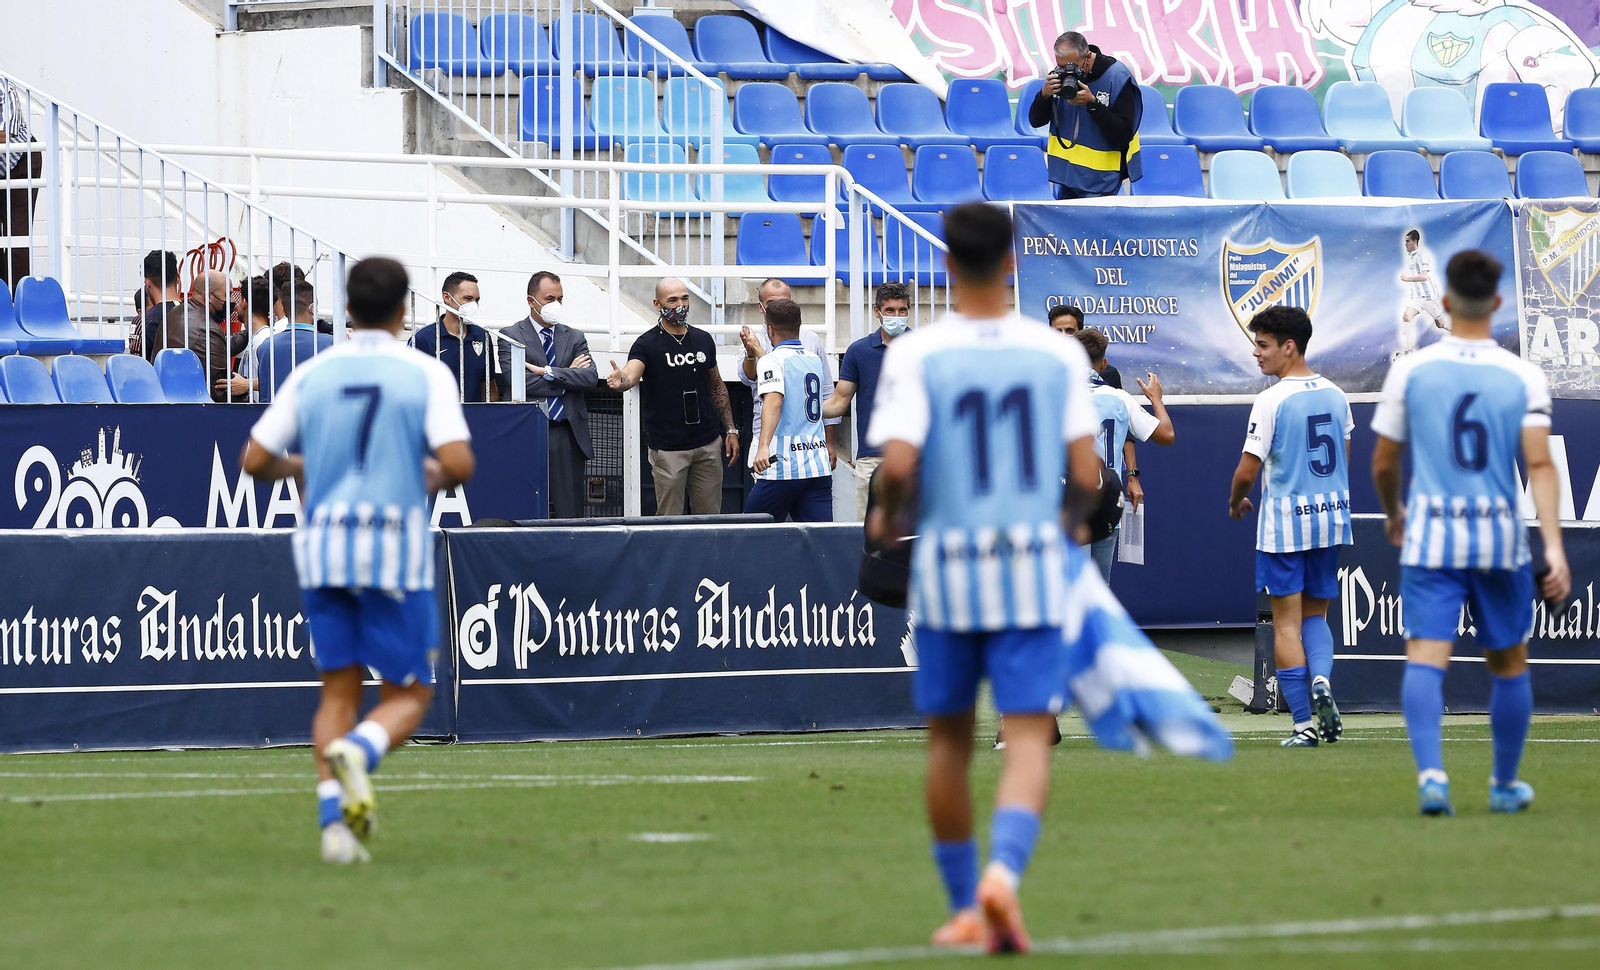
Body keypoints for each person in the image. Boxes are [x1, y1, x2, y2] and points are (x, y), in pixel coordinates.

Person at [868, 203, 1100, 953]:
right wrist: (1063, 527)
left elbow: (898, 467)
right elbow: (1087, 474)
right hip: (1027, 566)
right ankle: (1005, 875)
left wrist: (882, 521)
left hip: (948, 569)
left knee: (948, 743)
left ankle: (966, 902)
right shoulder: (1059, 355)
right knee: (1028, 733)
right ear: (1012, 263)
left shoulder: (917, 354)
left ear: (946, 266)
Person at [242, 257, 473, 864]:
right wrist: (416, 472)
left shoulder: (312, 373)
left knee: (337, 695)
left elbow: (255, 459)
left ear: (346, 309)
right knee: (409, 694)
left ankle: (336, 832)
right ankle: (363, 753)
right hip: (391, 548)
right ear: (405, 311)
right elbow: (458, 464)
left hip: (323, 547)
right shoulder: (425, 372)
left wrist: (305, 467)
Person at [1371, 249, 1569, 817]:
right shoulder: (1523, 374)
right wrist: (1552, 547)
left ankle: (1432, 776)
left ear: (1448, 302)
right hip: (1500, 539)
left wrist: (1393, 512)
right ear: (1498, 303)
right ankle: (1504, 785)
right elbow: (1539, 464)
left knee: (1426, 657)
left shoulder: (1411, 369)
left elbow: (1385, 464)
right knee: (1508, 662)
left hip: (1432, 535)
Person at [1228, 306, 1351, 748]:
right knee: (1317, 616)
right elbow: (1346, 458)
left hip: (1285, 526)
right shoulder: (1337, 395)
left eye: (1262, 345)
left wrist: (1235, 498)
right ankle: (1321, 679)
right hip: (1330, 520)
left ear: (1288, 346)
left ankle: (1303, 724)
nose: (1256, 353)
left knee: (1285, 625)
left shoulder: (1272, 399)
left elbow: (1247, 468)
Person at [607, 278, 739, 516]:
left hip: (707, 445)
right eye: (673, 300)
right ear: (658, 304)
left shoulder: (703, 339)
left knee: (710, 520)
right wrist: (621, 381)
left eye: (685, 298)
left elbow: (716, 385)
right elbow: (631, 374)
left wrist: (730, 428)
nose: (681, 305)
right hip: (668, 450)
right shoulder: (647, 344)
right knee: (669, 521)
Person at [1074, 328, 1174, 582]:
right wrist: (1156, 399)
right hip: (1106, 505)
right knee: (1099, 594)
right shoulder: (1120, 398)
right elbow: (1166, 435)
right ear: (1104, 363)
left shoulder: (1056, 395)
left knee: (1071, 596)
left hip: (1071, 506)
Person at [498, 271, 598, 520]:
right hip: (528, 429)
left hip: (567, 432)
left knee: (570, 512)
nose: (556, 305)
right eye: (550, 298)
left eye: (560, 299)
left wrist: (549, 372)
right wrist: (567, 378)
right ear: (532, 301)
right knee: (525, 508)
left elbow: (590, 378)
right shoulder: (511, 335)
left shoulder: (574, 336)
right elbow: (518, 380)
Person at [824, 281, 911, 518]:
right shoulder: (858, 351)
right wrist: (805, 410)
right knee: (867, 533)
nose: (897, 316)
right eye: (890, 310)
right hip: (871, 458)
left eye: (902, 310)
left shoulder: (924, 349)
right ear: (877, 311)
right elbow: (839, 401)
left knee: (916, 536)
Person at [1027, 31, 1142, 199]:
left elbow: (1124, 133)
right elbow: (1035, 122)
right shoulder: (1059, 77)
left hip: (1101, 181)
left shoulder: (1117, 77)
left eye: (1072, 66)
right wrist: (1044, 95)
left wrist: (1093, 104)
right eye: (1061, 66)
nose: (1067, 72)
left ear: (1088, 57)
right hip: (1066, 176)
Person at [738, 278, 838, 471]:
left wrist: (830, 442)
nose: (780, 308)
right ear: (761, 307)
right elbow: (747, 378)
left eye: (785, 301)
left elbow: (825, 393)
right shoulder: (753, 338)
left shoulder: (812, 340)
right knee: (768, 498)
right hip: (767, 437)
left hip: (807, 440)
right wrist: (752, 353)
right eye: (772, 304)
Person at [748, 298, 833, 522]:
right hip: (817, 465)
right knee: (820, 544)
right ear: (800, 323)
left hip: (783, 467)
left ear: (769, 329)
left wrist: (763, 446)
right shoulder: (814, 359)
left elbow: (774, 401)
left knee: (749, 534)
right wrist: (757, 351)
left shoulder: (772, 360)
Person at [151, 269, 246, 402]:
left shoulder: (175, 313)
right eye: (228, 295)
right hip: (196, 408)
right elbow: (222, 392)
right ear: (208, 296)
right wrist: (248, 388)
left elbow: (219, 345)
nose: (232, 301)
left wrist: (248, 334)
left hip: (167, 400)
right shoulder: (208, 330)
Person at [411, 271, 499, 403]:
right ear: (447, 297)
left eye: (477, 300)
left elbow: (489, 387)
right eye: (467, 299)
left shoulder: (482, 336)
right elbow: (412, 388)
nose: (473, 305)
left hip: (476, 419)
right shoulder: (423, 338)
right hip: (437, 419)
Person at [251, 282, 333, 403]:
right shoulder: (332, 344)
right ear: (313, 309)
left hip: (280, 419)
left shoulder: (266, 347)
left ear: (283, 310)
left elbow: (265, 396)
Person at [0, 78, 39, 289]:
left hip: (20, 161)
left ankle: (17, 302)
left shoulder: (3, 86)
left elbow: (7, 133)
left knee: (17, 238)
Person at [219, 274, 277, 402]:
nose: (237, 305)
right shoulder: (259, 337)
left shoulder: (263, 340)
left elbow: (276, 379)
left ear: (244, 302)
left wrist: (246, 384)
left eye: (239, 300)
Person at [1398, 228, 1445, 356]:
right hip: (1417, 298)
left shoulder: (1422, 255)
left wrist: (1407, 279)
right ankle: (1409, 351)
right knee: (1406, 316)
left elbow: (1424, 276)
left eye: (1408, 241)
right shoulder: (1411, 258)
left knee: (1440, 324)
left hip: (1429, 297)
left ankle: (1465, 339)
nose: (1405, 244)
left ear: (1415, 241)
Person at [132, 250, 184, 361]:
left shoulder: (144, 321)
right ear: (178, 278)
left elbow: (136, 365)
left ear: (147, 283)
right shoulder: (198, 315)